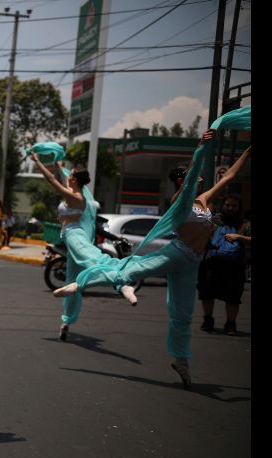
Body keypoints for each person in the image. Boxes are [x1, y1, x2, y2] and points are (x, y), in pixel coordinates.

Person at [54, 130, 251, 389]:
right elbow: (192, 177)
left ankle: (181, 360)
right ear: (181, 181)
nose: (201, 178)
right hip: (176, 253)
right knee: (130, 270)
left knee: (183, 314)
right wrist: (200, 149)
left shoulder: (204, 200)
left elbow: (230, 176)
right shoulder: (179, 200)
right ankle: (79, 284)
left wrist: (248, 151)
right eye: (193, 176)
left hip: (193, 261)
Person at [29, 147, 137, 342]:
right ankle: (66, 321)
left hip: (74, 235)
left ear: (75, 180)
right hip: (69, 237)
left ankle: (122, 285)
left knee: (91, 258)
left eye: (70, 175)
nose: (68, 176)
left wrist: (37, 162)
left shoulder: (77, 198)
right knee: (72, 281)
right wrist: (57, 166)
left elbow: (52, 181)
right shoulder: (72, 191)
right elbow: (59, 178)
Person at [197, 193, 251, 335]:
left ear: (239, 207)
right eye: (228, 205)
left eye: (234, 205)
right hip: (211, 263)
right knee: (207, 293)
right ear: (223, 206)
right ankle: (208, 320)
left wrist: (239, 237)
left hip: (235, 266)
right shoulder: (213, 220)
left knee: (233, 297)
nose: (230, 208)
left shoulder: (245, 224)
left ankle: (230, 324)